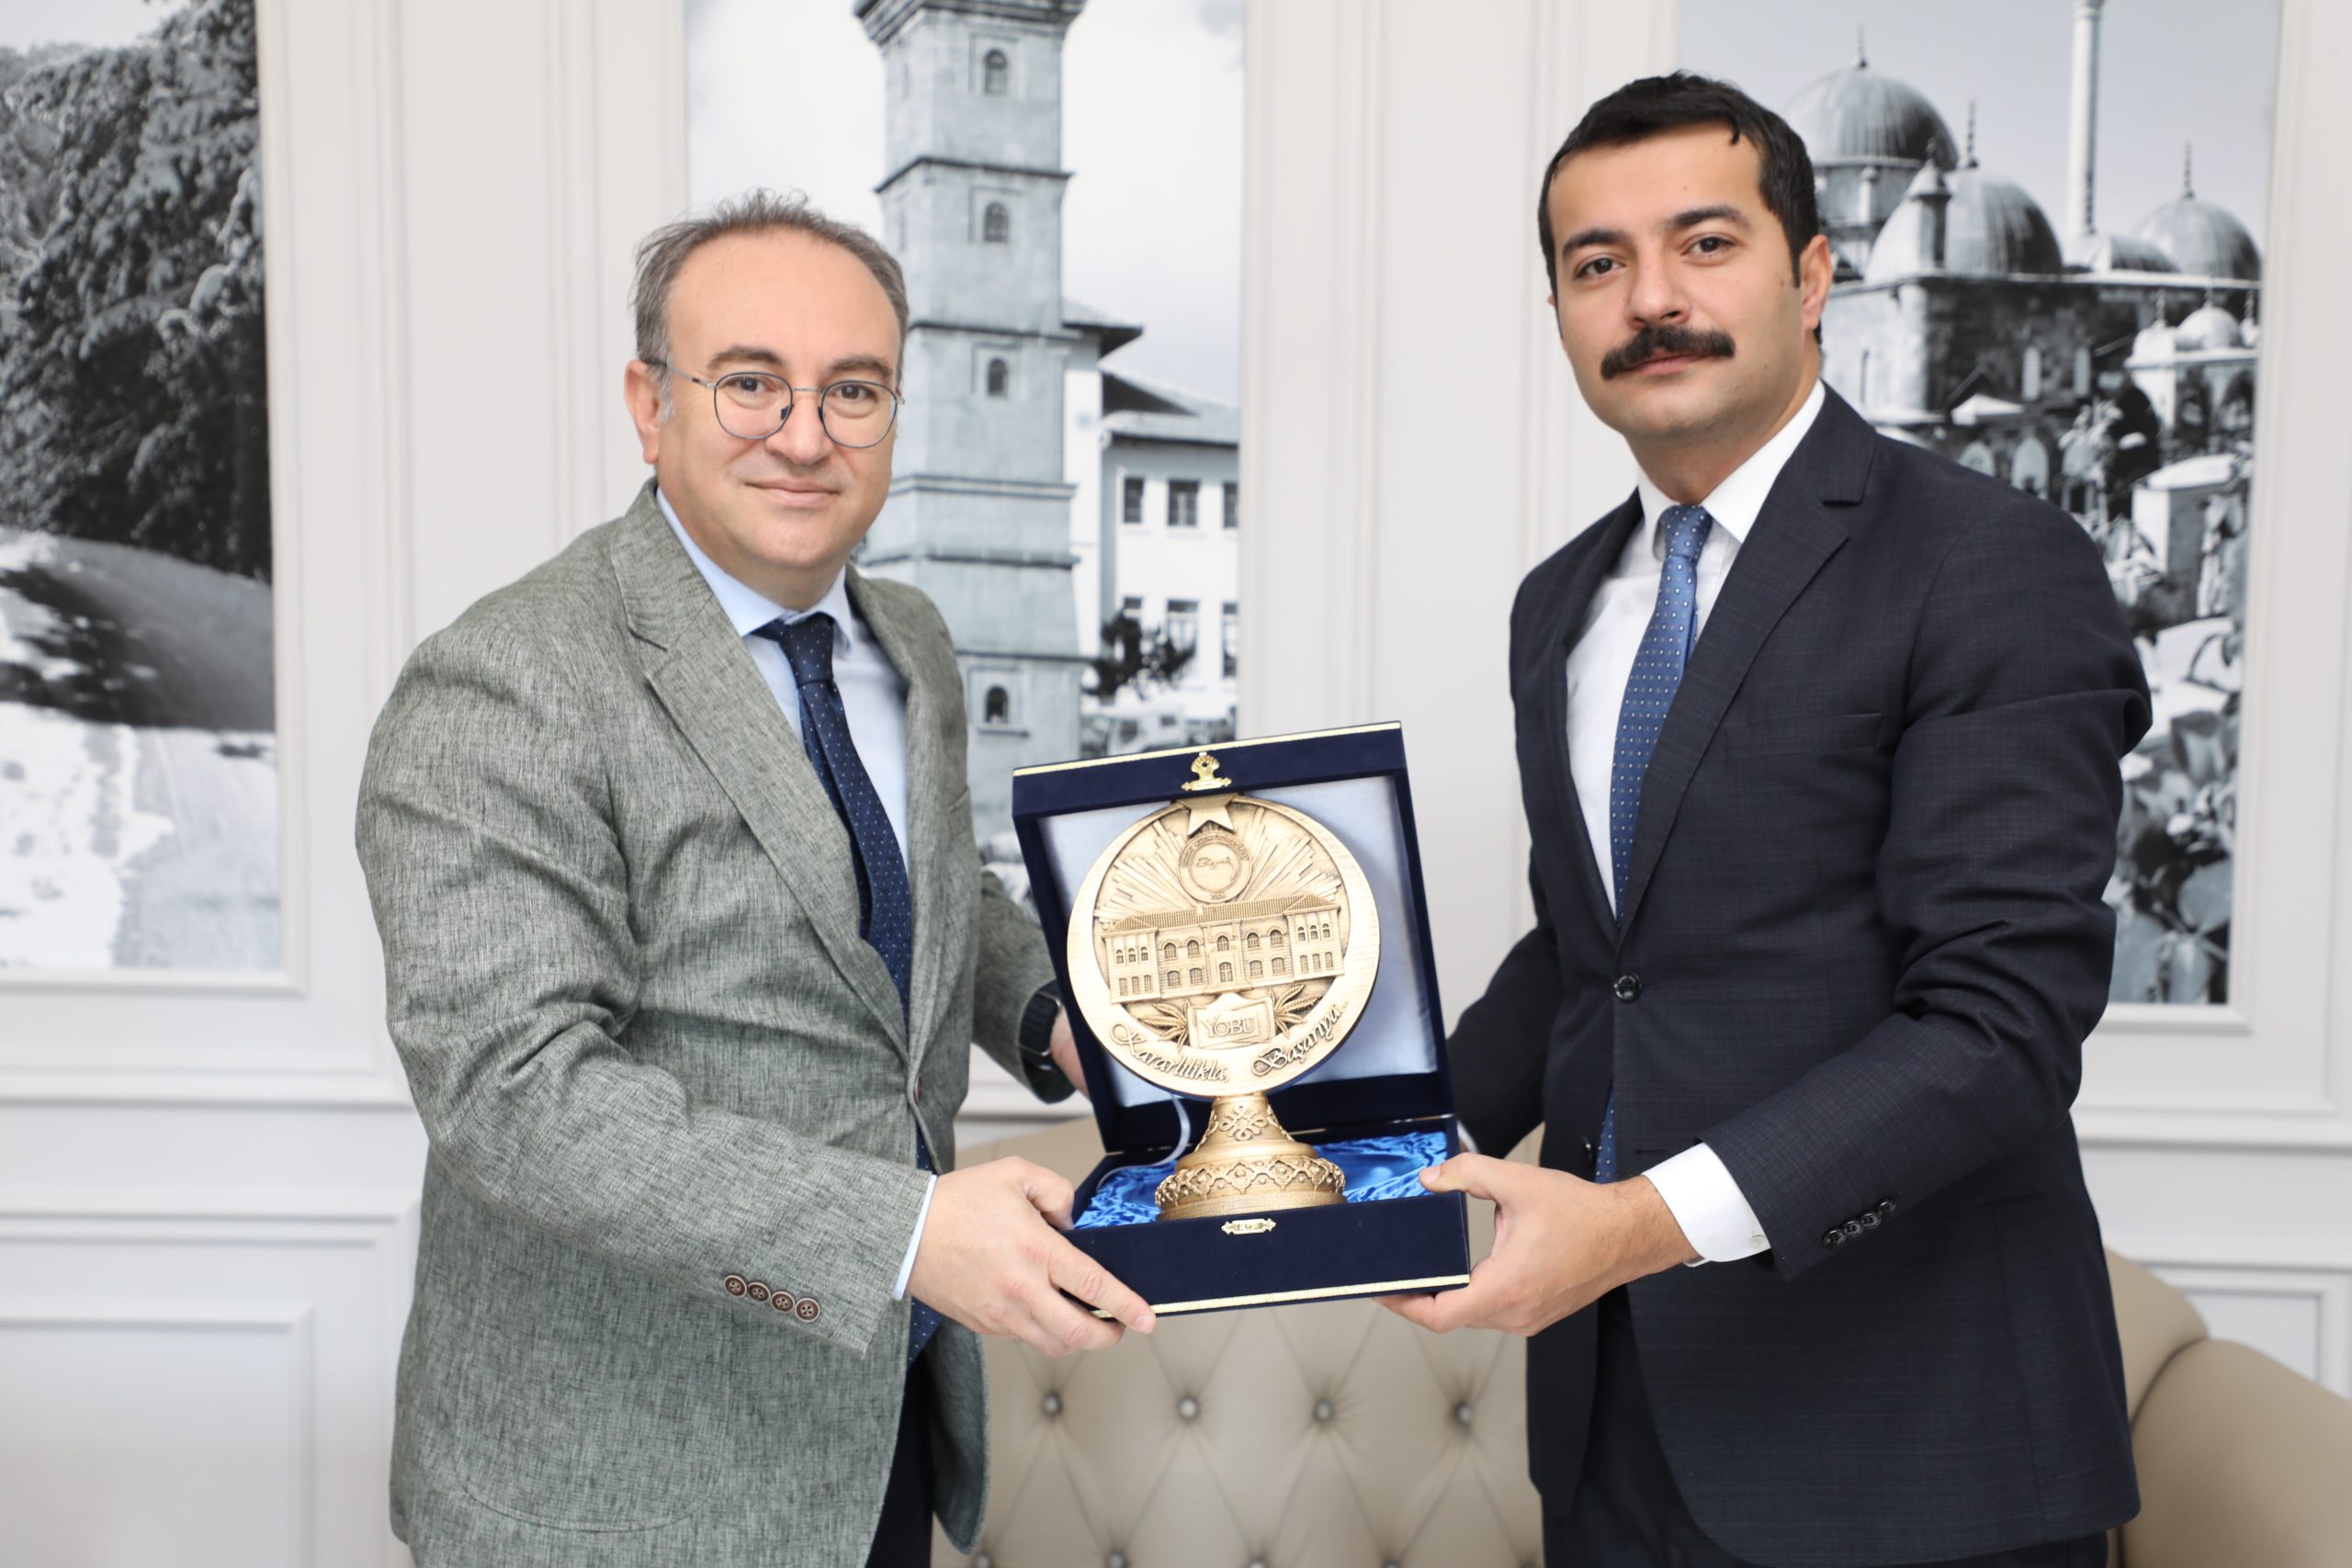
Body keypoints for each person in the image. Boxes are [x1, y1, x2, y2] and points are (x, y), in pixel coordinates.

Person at [1385, 74, 2149, 1567]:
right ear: (1561, 312)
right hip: (1611, 1429)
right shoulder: (1559, 604)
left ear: (1811, 276)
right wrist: (1334, 1154)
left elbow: (2000, 1022)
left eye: (1705, 244)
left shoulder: (1992, 562)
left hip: (1914, 1447)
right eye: (1597, 264)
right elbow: (1594, 954)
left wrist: (1633, 1226)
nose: (1650, 300)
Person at [355, 190, 1152, 1568]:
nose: (805, 434)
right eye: (750, 383)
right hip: (619, 1484)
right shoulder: (504, 680)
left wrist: (1063, 1023)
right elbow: (517, 1098)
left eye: (853, 389)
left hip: (880, 1429)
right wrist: (904, 1233)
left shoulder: (911, 639)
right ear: (648, 404)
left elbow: (931, 892)